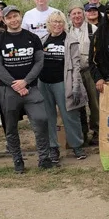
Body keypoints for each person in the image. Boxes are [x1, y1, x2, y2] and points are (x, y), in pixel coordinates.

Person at [0, 5, 52, 173]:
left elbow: (39, 62)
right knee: (10, 127)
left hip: (31, 88)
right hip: (8, 90)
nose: (13, 20)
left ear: (21, 16)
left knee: (41, 120)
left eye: (15, 16)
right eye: (9, 17)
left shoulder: (32, 38)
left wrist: (25, 82)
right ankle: (17, 159)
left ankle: (44, 158)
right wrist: (15, 84)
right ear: (3, 20)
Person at [38, 11, 88, 162]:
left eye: (60, 22)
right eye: (54, 21)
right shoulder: (43, 40)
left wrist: (75, 85)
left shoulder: (70, 40)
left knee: (70, 115)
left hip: (62, 82)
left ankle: (77, 146)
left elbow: (77, 65)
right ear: (49, 24)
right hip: (44, 83)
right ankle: (53, 148)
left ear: (64, 24)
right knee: (48, 116)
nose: (57, 24)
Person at [68, 5, 99, 145]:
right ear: (69, 16)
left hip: (89, 70)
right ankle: (82, 133)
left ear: (84, 14)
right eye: (74, 14)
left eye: (79, 13)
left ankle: (97, 131)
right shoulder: (66, 31)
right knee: (77, 103)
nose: (77, 16)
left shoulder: (93, 29)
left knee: (95, 102)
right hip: (74, 73)